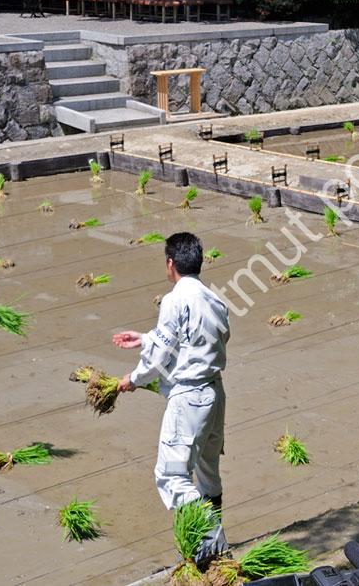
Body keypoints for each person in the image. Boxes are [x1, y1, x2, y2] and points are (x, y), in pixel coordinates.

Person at [114, 231, 230, 562]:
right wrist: (146, 337)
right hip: (214, 394)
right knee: (207, 472)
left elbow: (157, 360)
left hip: (189, 398)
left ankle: (214, 550)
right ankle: (210, 547)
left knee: (172, 476)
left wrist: (132, 379)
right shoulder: (215, 300)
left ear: (170, 264)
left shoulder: (174, 300)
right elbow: (195, 339)